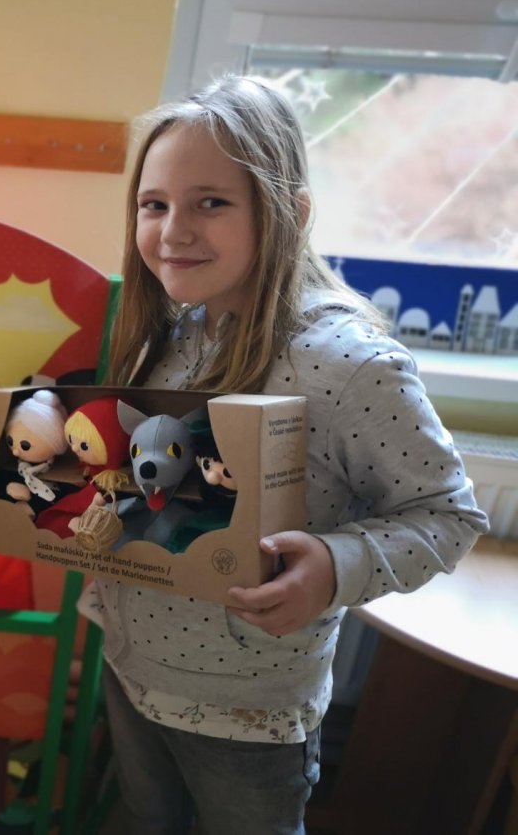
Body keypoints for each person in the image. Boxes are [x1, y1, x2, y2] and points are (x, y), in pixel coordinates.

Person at [83, 75, 488, 834]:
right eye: (154, 204)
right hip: (132, 668)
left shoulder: (349, 364)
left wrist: (334, 565)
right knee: (147, 818)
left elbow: (447, 516)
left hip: (248, 711)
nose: (173, 231)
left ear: (290, 214)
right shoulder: (170, 333)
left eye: (211, 202)